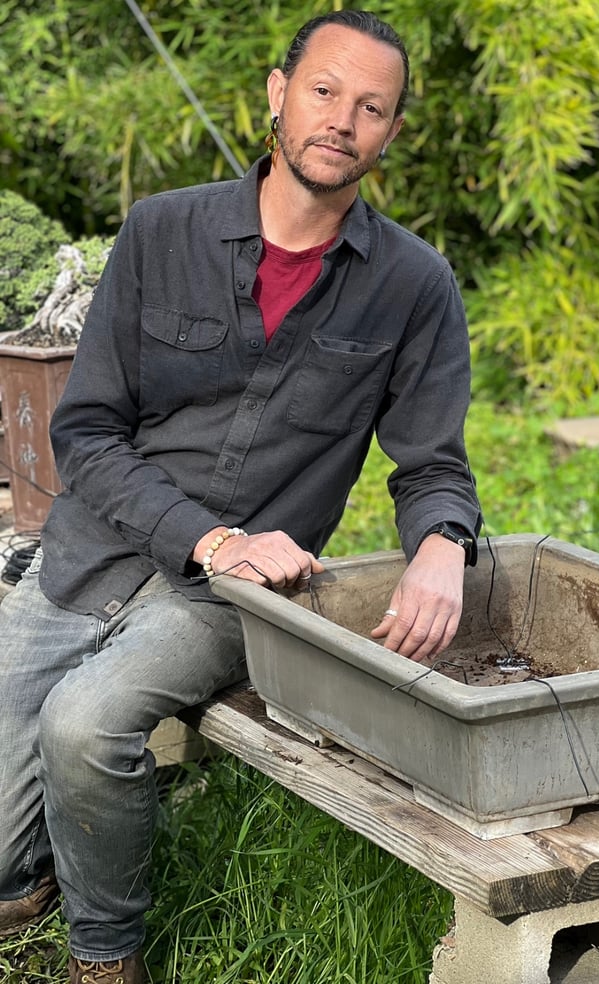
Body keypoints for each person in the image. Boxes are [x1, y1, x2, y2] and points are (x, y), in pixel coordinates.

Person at [0, 9, 481, 983]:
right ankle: (30, 885)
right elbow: (84, 430)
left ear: (389, 134)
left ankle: (104, 955)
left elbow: (433, 464)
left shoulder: (412, 286)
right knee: (6, 846)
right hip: (97, 547)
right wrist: (207, 534)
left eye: (371, 107)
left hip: (236, 595)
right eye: (324, 90)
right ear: (277, 92)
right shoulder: (161, 230)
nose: (342, 119)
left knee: (85, 726)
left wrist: (442, 544)